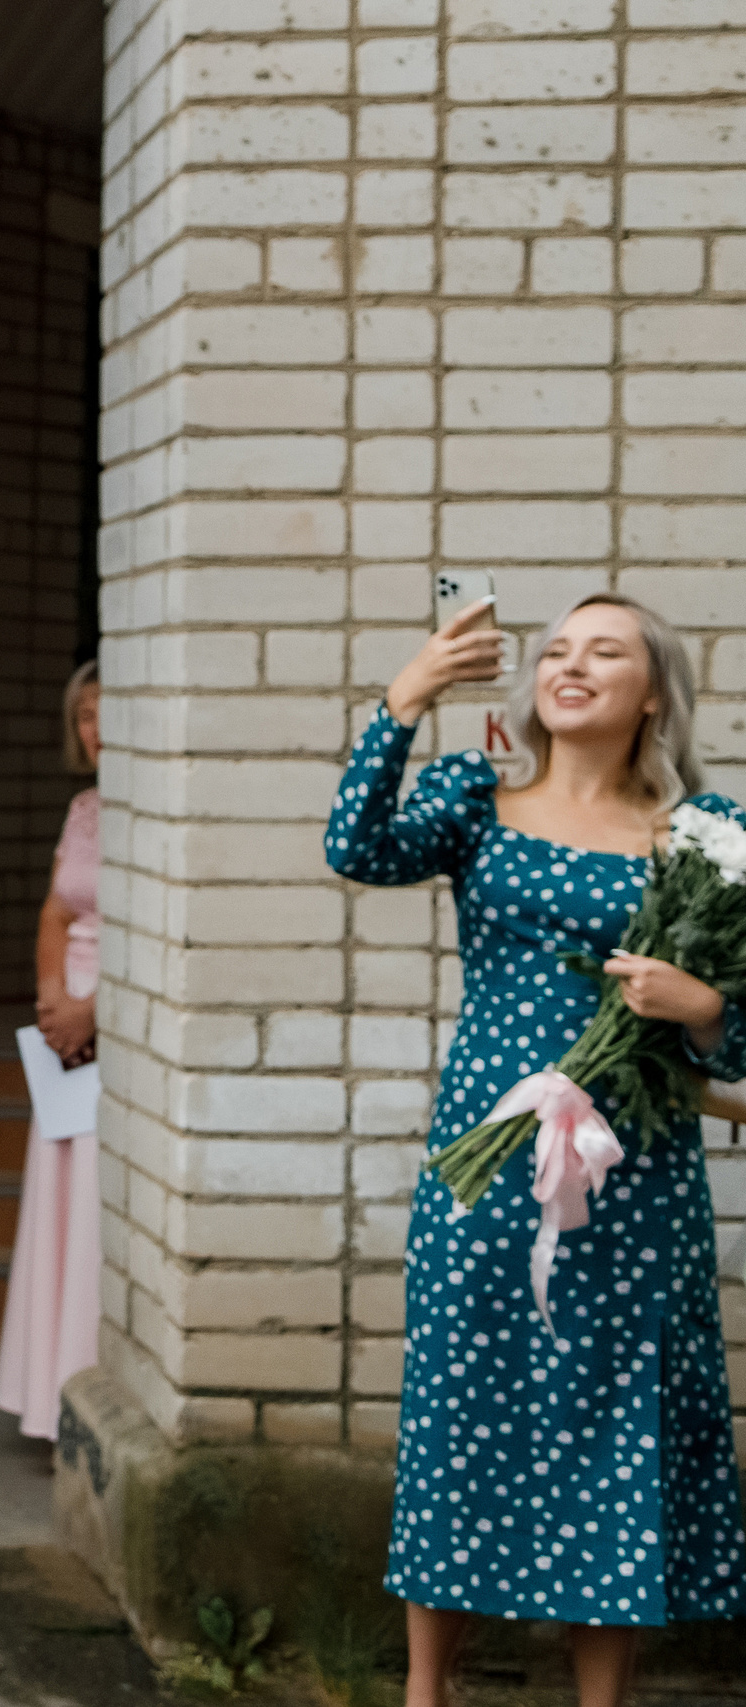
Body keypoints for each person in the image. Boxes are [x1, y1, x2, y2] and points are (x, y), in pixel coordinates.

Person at [327, 593, 746, 1707]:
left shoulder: (704, 838)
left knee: (618, 1425)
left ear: (650, 690)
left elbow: (738, 1035)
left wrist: (698, 1002)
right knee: (460, 1416)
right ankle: (427, 1693)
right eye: (557, 648)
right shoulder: (477, 798)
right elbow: (356, 849)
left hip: (636, 1182)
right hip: (486, 1167)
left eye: (604, 650)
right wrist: (404, 702)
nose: (572, 663)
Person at [0, 660, 101, 1440]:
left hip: (119, 1026)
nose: (98, 728)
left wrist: (99, 1009)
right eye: (86, 715)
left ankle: (89, 1389)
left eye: (110, 711)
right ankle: (47, 1396)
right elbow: (56, 912)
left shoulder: (162, 808)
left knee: (96, 1204)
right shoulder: (86, 807)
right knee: (60, 1194)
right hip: (71, 1032)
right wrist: (56, 1002)